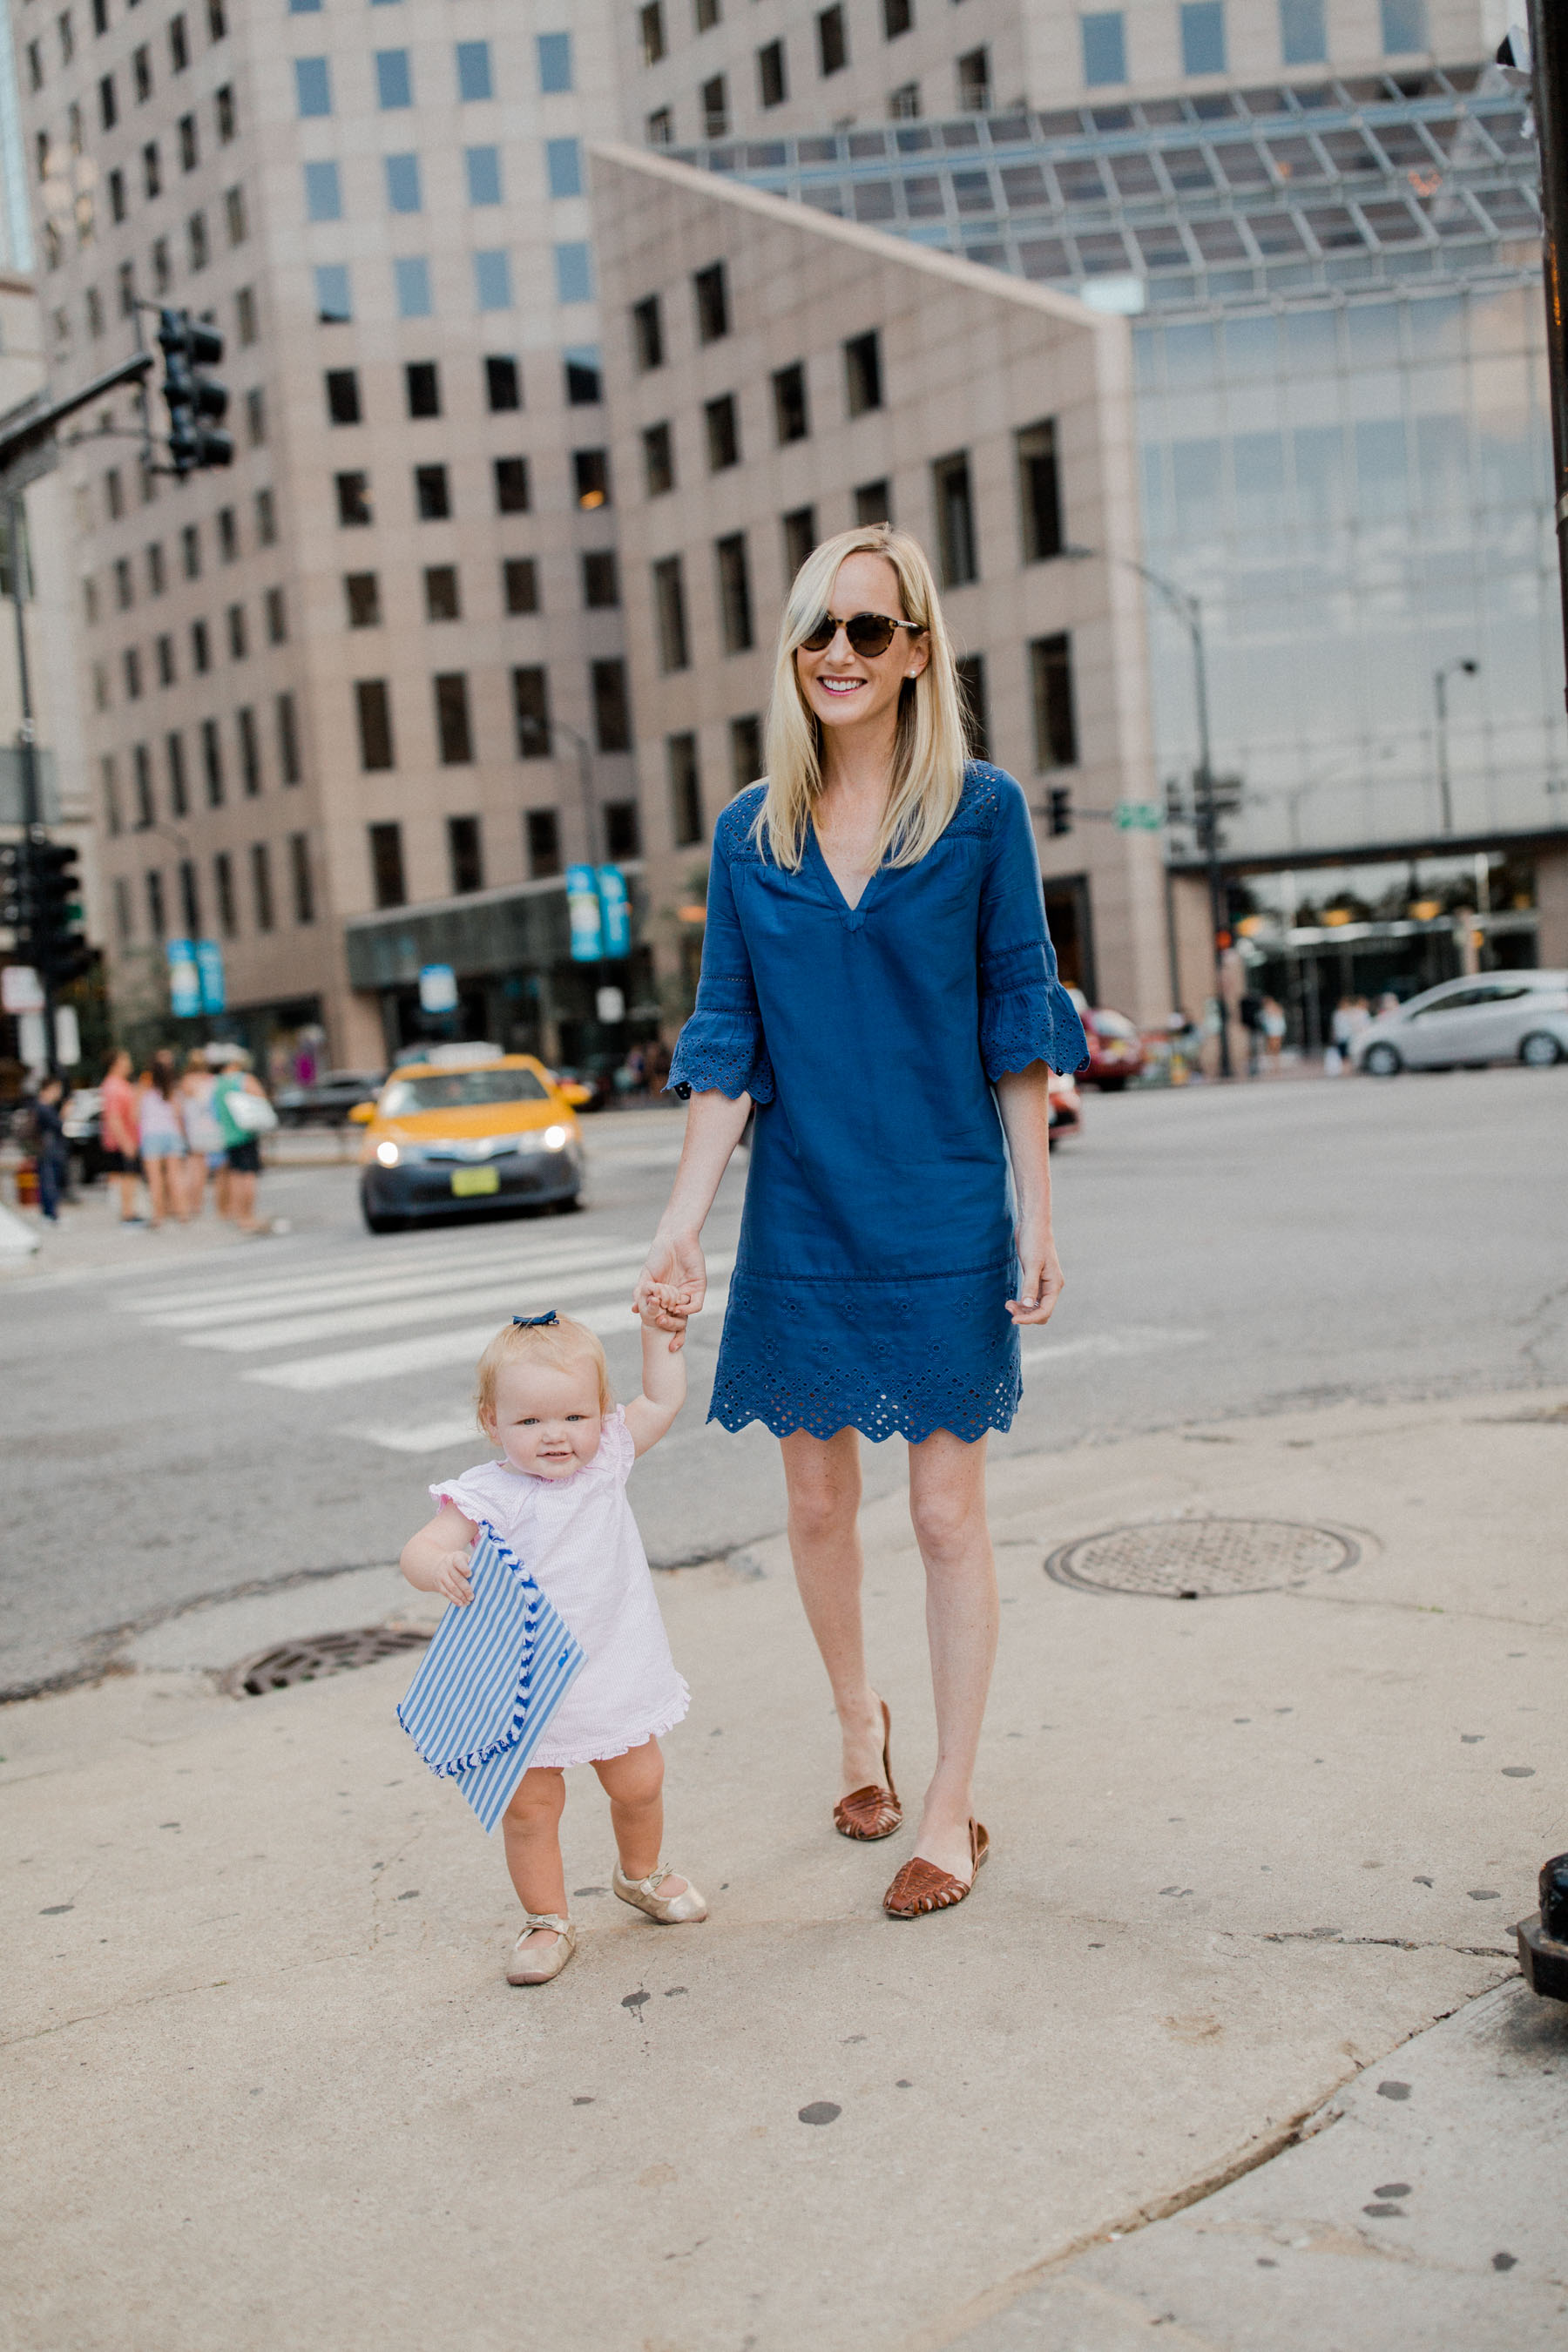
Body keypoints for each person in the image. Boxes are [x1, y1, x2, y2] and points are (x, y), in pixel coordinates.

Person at [634, 523, 1087, 1920]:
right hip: (807, 1215)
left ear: (916, 652)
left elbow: (1019, 1019)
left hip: (945, 1199)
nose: (840, 653)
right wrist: (681, 1226)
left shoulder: (982, 812)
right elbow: (728, 1044)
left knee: (947, 1514)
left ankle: (949, 1803)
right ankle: (856, 1725)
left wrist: (1037, 1212)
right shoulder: (750, 832)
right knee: (816, 1499)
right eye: (818, 631)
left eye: (869, 631)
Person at [398, 1305, 703, 1987]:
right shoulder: (488, 1495)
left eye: (573, 1417)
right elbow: (425, 1545)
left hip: (614, 1668)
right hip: (524, 1687)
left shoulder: (608, 1464)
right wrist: (436, 1567)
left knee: (640, 1782)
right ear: (491, 1423)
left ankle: (640, 1874)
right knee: (530, 1808)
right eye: (529, 1422)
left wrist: (659, 1335)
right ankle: (547, 1919)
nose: (555, 1436)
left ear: (601, 1413)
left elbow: (662, 1397)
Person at [211, 1049, 271, 1235]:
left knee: (235, 1176)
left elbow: (215, 1112)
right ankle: (248, 1216)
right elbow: (261, 1099)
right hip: (245, 1133)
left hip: (228, 1135)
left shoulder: (217, 1084)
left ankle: (240, 1216)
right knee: (249, 1176)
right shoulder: (243, 1079)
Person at [137, 1051, 187, 1227]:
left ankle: (158, 1215)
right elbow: (178, 1113)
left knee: (155, 1178)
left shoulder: (144, 1088)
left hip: (151, 1135)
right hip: (171, 1133)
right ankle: (181, 1212)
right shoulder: (171, 1088)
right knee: (175, 1175)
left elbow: (136, 1113)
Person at [177, 1049, 226, 1220]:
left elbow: (181, 1110)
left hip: (195, 1130)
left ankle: (195, 1205)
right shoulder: (213, 1081)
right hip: (214, 1129)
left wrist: (182, 1130)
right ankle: (223, 1207)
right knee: (220, 1169)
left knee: (196, 1170)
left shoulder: (186, 1082)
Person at [98, 1048, 142, 1223]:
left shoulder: (122, 1084)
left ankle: (130, 1211)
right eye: (125, 1059)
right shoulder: (113, 1086)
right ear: (116, 1063)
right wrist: (126, 1143)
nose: (129, 1063)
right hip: (121, 1141)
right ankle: (127, 1213)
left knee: (130, 1177)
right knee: (126, 1176)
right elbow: (114, 1118)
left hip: (130, 1138)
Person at [30, 1076, 68, 1222]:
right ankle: (50, 1214)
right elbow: (58, 1125)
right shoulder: (43, 1107)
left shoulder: (39, 1106)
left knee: (47, 1181)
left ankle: (49, 1213)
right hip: (48, 1150)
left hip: (45, 1149)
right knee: (49, 1182)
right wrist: (64, 1114)